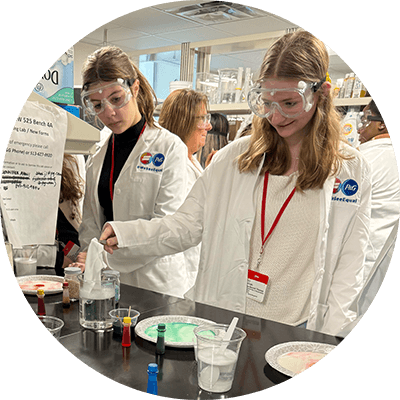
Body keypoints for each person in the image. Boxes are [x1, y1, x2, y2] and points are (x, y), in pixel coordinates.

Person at [99, 32, 372, 336]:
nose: (276, 116)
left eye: (290, 103)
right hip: (225, 321)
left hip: (298, 328)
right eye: (267, 102)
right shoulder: (234, 159)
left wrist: (330, 338)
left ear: (321, 93)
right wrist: (128, 233)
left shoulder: (349, 169)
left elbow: (350, 267)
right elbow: (186, 225)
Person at [76, 46, 190, 298]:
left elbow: (170, 226)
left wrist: (118, 241)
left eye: (116, 99)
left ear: (135, 88)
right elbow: (91, 223)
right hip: (107, 281)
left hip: (156, 284)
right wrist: (87, 256)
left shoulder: (168, 147)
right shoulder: (98, 152)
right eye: (97, 105)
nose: (109, 113)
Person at [158, 89, 212, 286]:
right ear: (184, 121)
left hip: (194, 266)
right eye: (202, 119)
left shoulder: (193, 161)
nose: (209, 125)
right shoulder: (174, 164)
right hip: (177, 270)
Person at [356, 99, 400, 315]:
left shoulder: (363, 159)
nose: (361, 127)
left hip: (358, 265)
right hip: (379, 261)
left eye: (365, 119)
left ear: (381, 124)